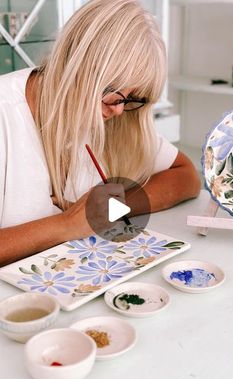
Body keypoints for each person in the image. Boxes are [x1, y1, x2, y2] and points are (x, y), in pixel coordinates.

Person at [0, 0, 200, 267]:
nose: (119, 110)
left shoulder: (118, 115)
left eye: (133, 97)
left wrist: (111, 208)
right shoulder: (6, 114)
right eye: (112, 90)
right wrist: (66, 225)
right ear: (74, 63)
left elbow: (186, 176)